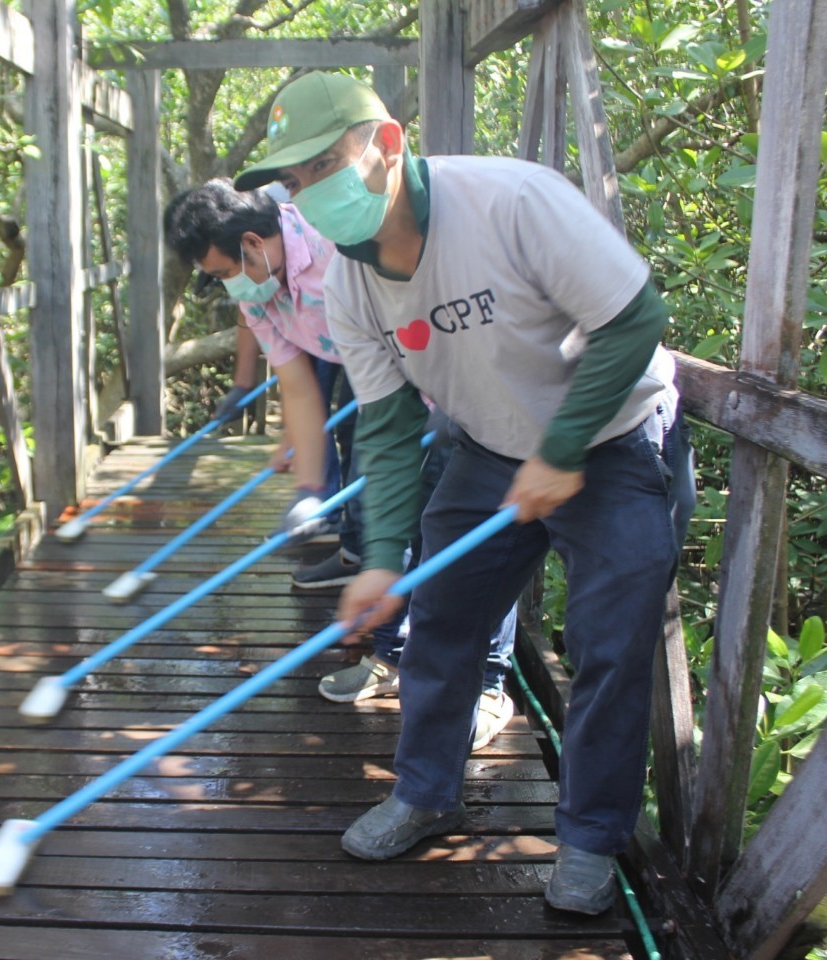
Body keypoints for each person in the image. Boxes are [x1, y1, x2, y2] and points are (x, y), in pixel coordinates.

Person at [234, 71, 694, 916]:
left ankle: (589, 840)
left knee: (609, 646)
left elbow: (634, 319)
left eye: (326, 166)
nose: (311, 195)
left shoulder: (512, 200)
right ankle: (423, 790)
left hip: (615, 436)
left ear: (389, 145)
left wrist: (561, 449)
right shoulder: (348, 281)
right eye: (296, 183)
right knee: (439, 620)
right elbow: (383, 422)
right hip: (485, 446)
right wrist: (377, 562)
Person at [163, 179, 517, 738]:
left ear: (254, 244)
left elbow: (439, 297)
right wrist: (309, 492)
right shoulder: (255, 288)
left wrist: (448, 394)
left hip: (460, 379)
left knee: (468, 534)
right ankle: (392, 659)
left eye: (222, 270)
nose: (224, 283)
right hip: (385, 386)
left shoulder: (340, 239)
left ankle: (489, 683)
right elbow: (299, 386)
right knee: (389, 520)